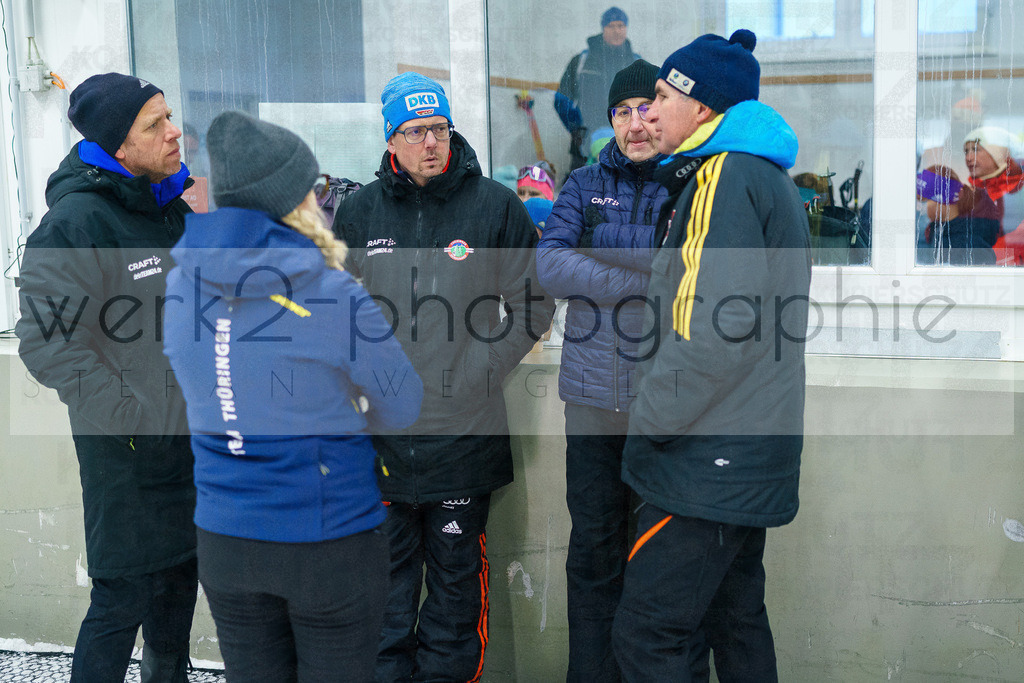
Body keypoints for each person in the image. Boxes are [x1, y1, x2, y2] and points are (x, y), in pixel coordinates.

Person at [162, 111, 423, 682]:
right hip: (326, 538)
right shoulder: (328, 290)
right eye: (315, 185)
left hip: (225, 537)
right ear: (291, 200)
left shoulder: (182, 282)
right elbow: (403, 403)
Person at [332, 71, 554, 682]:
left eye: (439, 129)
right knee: (382, 601)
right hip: (377, 443)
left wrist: (480, 370)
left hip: (464, 437)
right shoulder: (358, 212)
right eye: (415, 131)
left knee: (456, 605)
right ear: (391, 140)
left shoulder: (494, 207)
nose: (431, 142)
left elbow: (535, 307)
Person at [610, 31, 811, 681]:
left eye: (663, 97)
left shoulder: (723, 175)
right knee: (734, 618)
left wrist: (650, 419)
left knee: (649, 632)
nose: (650, 112)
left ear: (701, 109)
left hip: (705, 457)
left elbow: (713, 328)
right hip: (743, 451)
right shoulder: (759, 174)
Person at [15, 72, 197, 682]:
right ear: (119, 146)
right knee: (122, 603)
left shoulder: (166, 209)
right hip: (127, 460)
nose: (174, 133)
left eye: (169, 116)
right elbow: (46, 342)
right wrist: (133, 415)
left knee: (175, 599)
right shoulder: (76, 225)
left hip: (187, 450)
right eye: (155, 124)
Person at [535, 58, 668, 683]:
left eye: (646, 108)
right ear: (608, 119)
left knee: (656, 561)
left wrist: (601, 254)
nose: (635, 123)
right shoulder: (584, 183)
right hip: (590, 404)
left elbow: (686, 270)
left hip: (661, 404)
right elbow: (550, 267)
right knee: (592, 552)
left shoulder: (688, 184)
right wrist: (633, 279)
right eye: (622, 112)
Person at [555, 7, 641, 173]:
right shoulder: (583, 61)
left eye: (621, 26)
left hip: (628, 143)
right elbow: (561, 99)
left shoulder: (635, 62)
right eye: (611, 26)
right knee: (582, 191)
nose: (617, 31)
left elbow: (650, 103)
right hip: (585, 146)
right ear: (603, 29)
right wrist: (577, 129)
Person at [917, 165, 999, 265]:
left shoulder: (968, 245)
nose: (919, 207)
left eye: (924, 200)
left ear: (942, 200)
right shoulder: (937, 231)